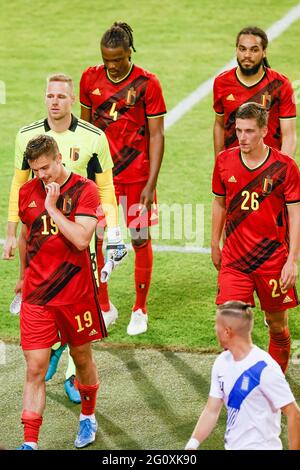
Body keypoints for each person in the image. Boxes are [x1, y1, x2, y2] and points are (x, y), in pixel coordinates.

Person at [2, 73, 126, 403]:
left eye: (61, 96)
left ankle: (74, 374)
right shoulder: (27, 136)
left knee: (81, 306)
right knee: (49, 302)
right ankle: (56, 348)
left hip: (80, 233)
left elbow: (105, 189)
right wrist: (11, 232)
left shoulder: (93, 136)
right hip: (42, 237)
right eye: (50, 95)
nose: (55, 101)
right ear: (45, 98)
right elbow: (19, 186)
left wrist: (113, 230)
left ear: (72, 99)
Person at [16, 135, 106, 449]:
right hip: (38, 296)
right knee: (36, 367)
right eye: (35, 170)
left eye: (45, 168)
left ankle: (88, 416)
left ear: (58, 159)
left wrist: (52, 208)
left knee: (82, 359)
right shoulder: (27, 191)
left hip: (75, 294)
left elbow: (82, 239)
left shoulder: (86, 190)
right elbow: (26, 235)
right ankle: (30, 443)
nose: (41, 175)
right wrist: (21, 277)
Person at [80, 22, 166, 335]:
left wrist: (150, 183)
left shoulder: (147, 83)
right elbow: (86, 129)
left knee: (140, 238)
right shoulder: (90, 78)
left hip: (138, 175)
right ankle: (103, 306)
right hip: (103, 178)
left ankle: (140, 308)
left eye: (118, 60)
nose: (112, 66)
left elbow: (157, 135)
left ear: (129, 52)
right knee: (99, 237)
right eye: (107, 61)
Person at [211, 102, 300, 374]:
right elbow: (219, 203)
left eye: (249, 131)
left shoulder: (285, 167)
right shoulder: (224, 161)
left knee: (276, 325)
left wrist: (292, 260)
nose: (242, 137)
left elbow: (296, 215)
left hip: (273, 261)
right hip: (235, 262)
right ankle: (239, 385)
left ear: (264, 130)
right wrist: (215, 243)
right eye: (238, 130)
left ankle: (273, 385)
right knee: (229, 329)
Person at [185, 301, 300, 450]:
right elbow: (211, 410)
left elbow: (294, 413)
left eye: (217, 325)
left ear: (227, 331)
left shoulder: (264, 367)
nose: (215, 329)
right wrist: (192, 444)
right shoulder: (222, 363)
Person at [213, 26, 297, 158]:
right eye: (242, 49)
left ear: (264, 52)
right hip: (234, 167)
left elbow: (289, 134)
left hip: (268, 168)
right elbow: (219, 124)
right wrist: (219, 162)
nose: (247, 55)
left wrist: (281, 169)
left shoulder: (280, 84)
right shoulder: (222, 82)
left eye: (254, 50)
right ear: (236, 50)